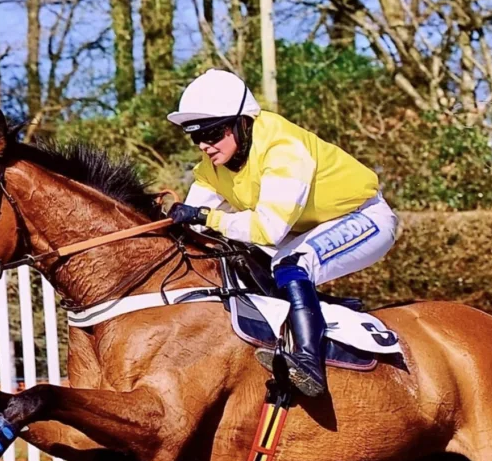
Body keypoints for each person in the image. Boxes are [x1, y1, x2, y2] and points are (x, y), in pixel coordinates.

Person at [165, 69, 398, 397]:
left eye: (213, 133)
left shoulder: (284, 149)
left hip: (364, 217)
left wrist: (207, 216)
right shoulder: (210, 168)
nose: (205, 145)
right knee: (238, 256)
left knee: (293, 264)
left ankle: (309, 363)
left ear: (242, 123)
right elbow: (193, 226)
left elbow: (268, 229)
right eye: (196, 137)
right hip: (304, 227)